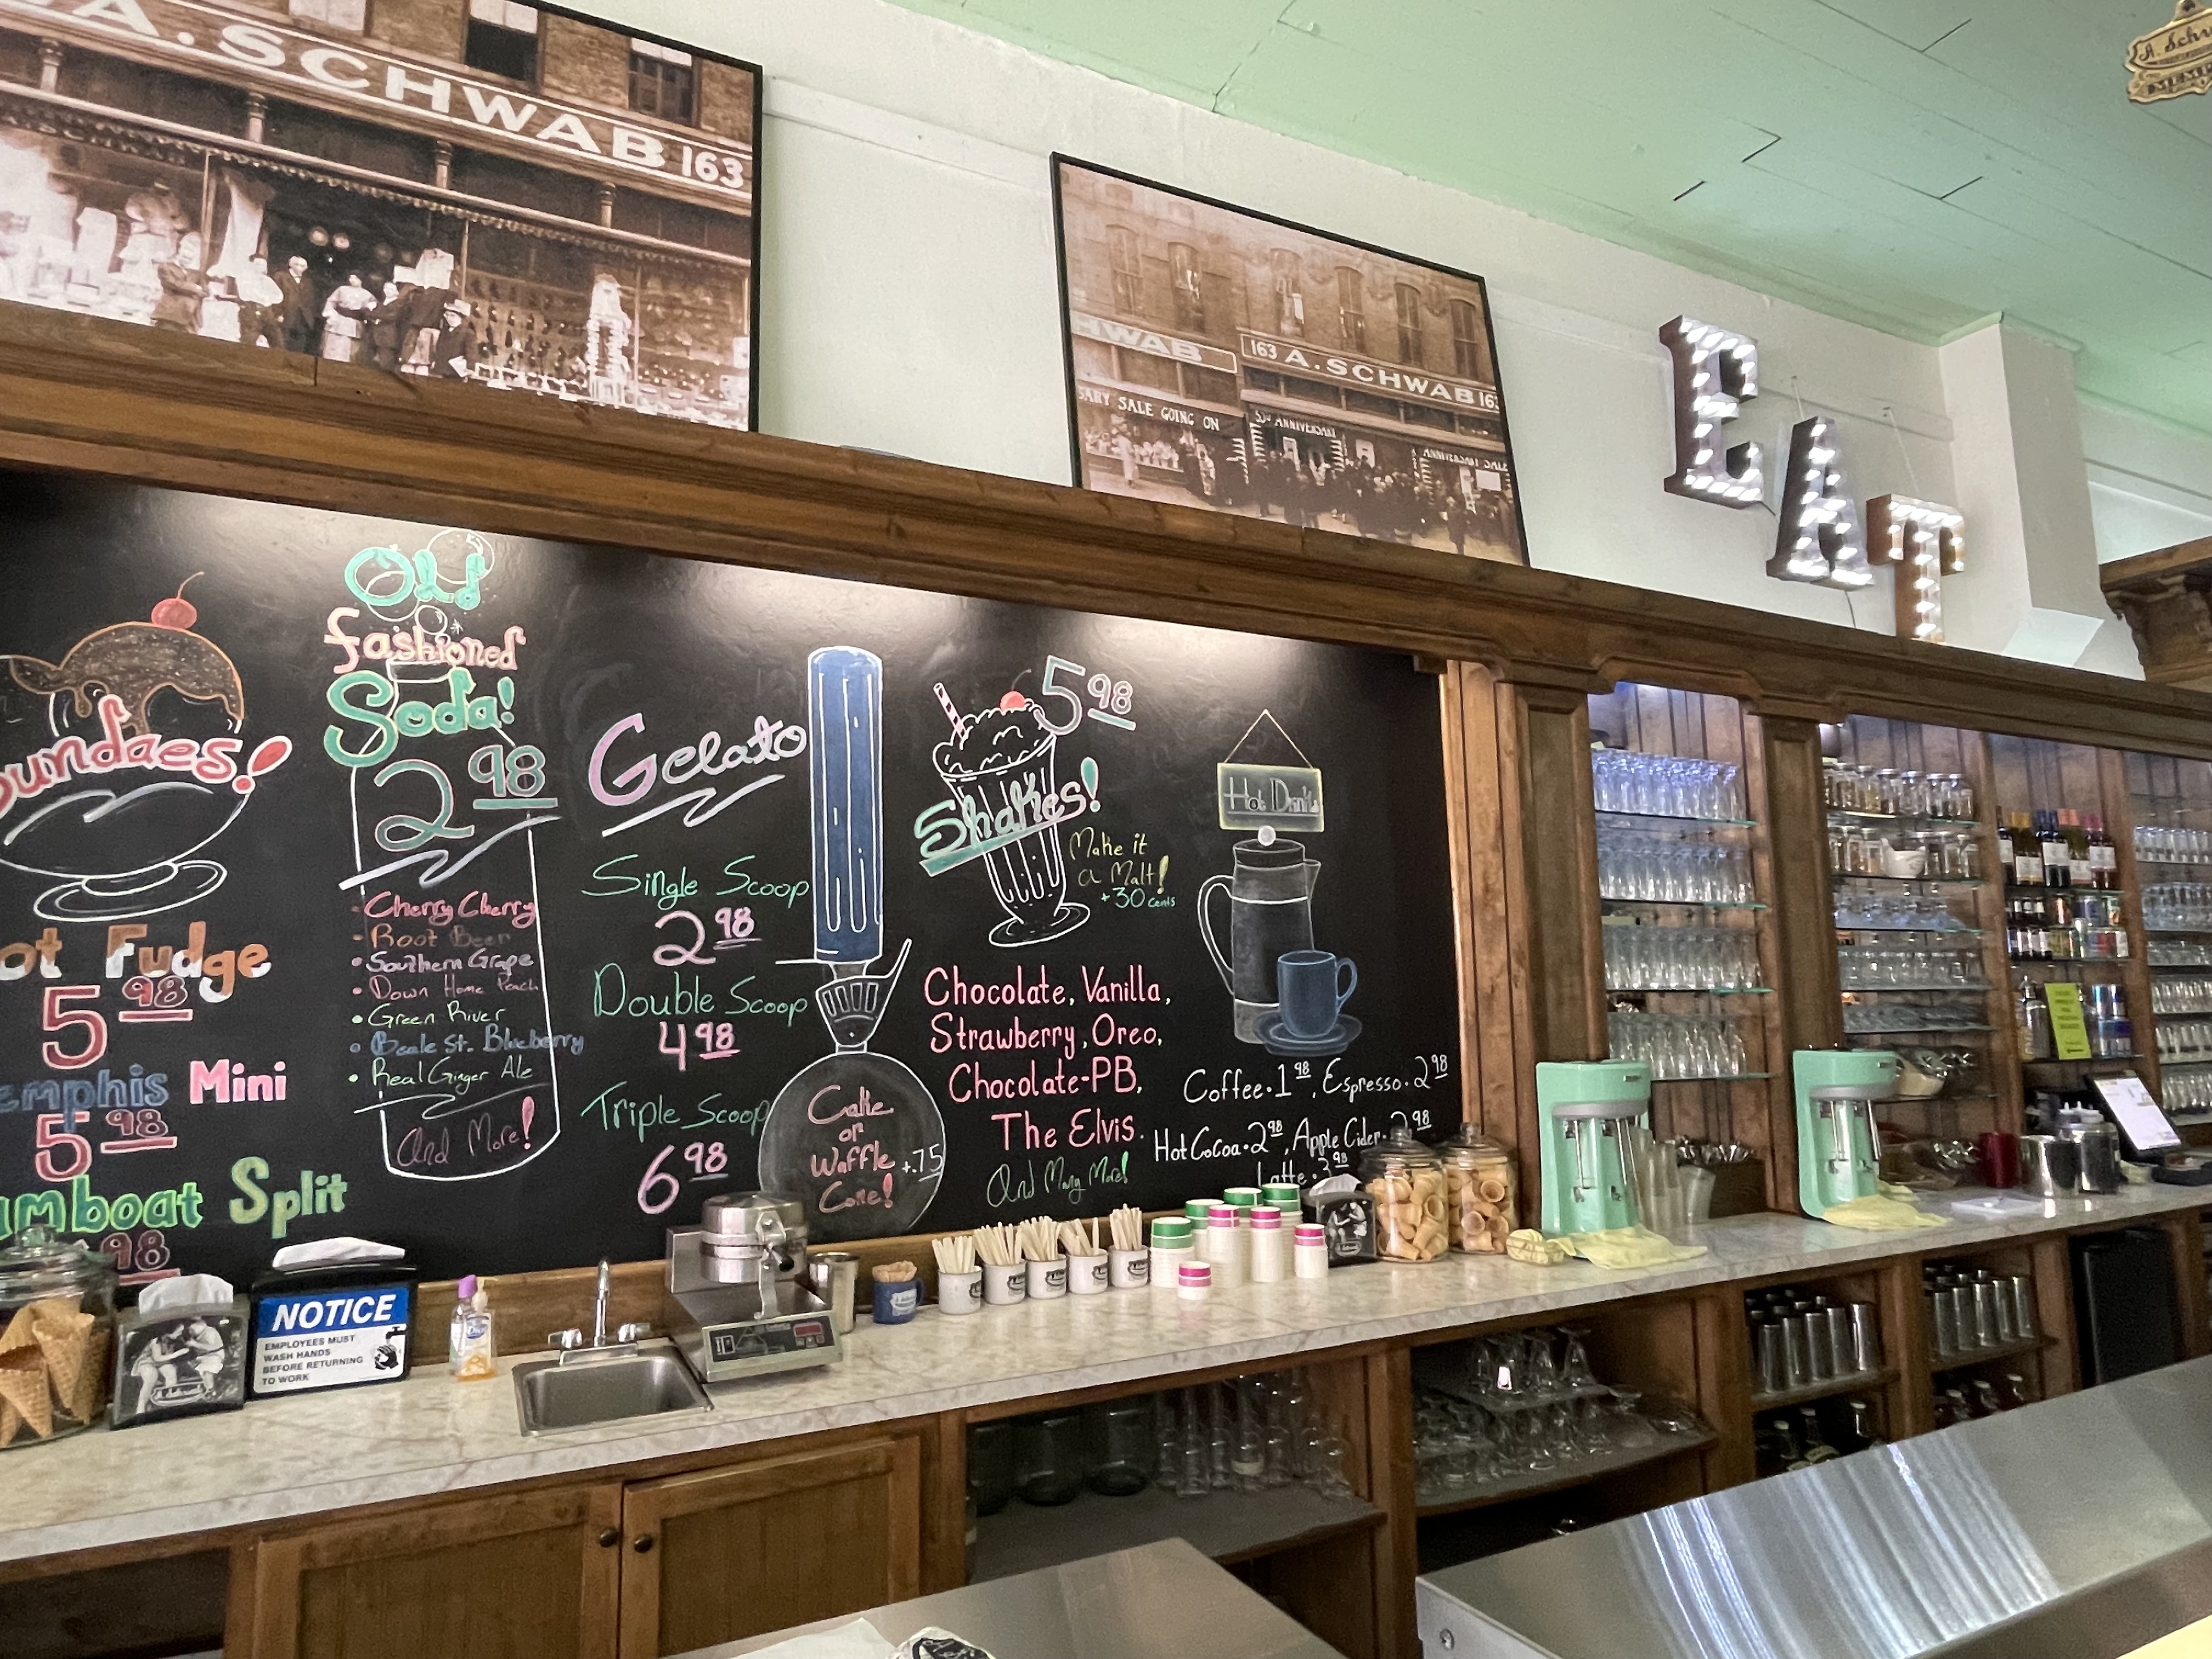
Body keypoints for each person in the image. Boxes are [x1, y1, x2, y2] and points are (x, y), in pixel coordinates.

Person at [151, 233, 206, 334]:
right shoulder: (166, 268)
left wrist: (200, 289)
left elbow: (206, 291)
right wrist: (195, 288)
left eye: (193, 253)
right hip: (170, 317)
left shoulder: (196, 274)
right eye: (187, 250)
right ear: (180, 248)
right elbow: (175, 285)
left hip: (191, 322)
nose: (188, 255)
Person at [320, 273, 377, 362]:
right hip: (339, 320)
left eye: (355, 278)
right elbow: (331, 301)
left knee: (351, 350)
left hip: (354, 323)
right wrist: (331, 314)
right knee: (333, 345)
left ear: (361, 280)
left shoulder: (368, 295)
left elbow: (372, 308)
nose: (352, 281)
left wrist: (367, 315)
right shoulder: (342, 289)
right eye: (351, 278)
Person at [234, 255, 285, 349]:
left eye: (263, 264)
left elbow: (279, 297)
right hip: (250, 312)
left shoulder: (266, 280)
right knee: (249, 341)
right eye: (258, 264)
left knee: (277, 340)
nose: (261, 267)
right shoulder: (244, 277)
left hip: (267, 313)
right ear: (251, 264)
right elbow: (244, 295)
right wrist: (263, 298)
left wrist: (267, 299)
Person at [274, 254, 316, 352]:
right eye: (297, 265)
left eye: (303, 266)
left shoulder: (308, 282)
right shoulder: (280, 276)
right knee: (281, 346)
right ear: (291, 265)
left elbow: (310, 301)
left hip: (302, 320)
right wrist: (278, 313)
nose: (300, 268)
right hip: (285, 317)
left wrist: (309, 318)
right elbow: (274, 295)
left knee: (298, 349)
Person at [431, 296, 477, 379]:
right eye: (447, 315)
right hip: (440, 369)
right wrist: (435, 361)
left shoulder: (468, 333)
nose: (449, 319)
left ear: (461, 318)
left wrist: (470, 368)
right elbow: (439, 348)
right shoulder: (444, 331)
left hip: (455, 372)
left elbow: (471, 353)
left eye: (452, 316)